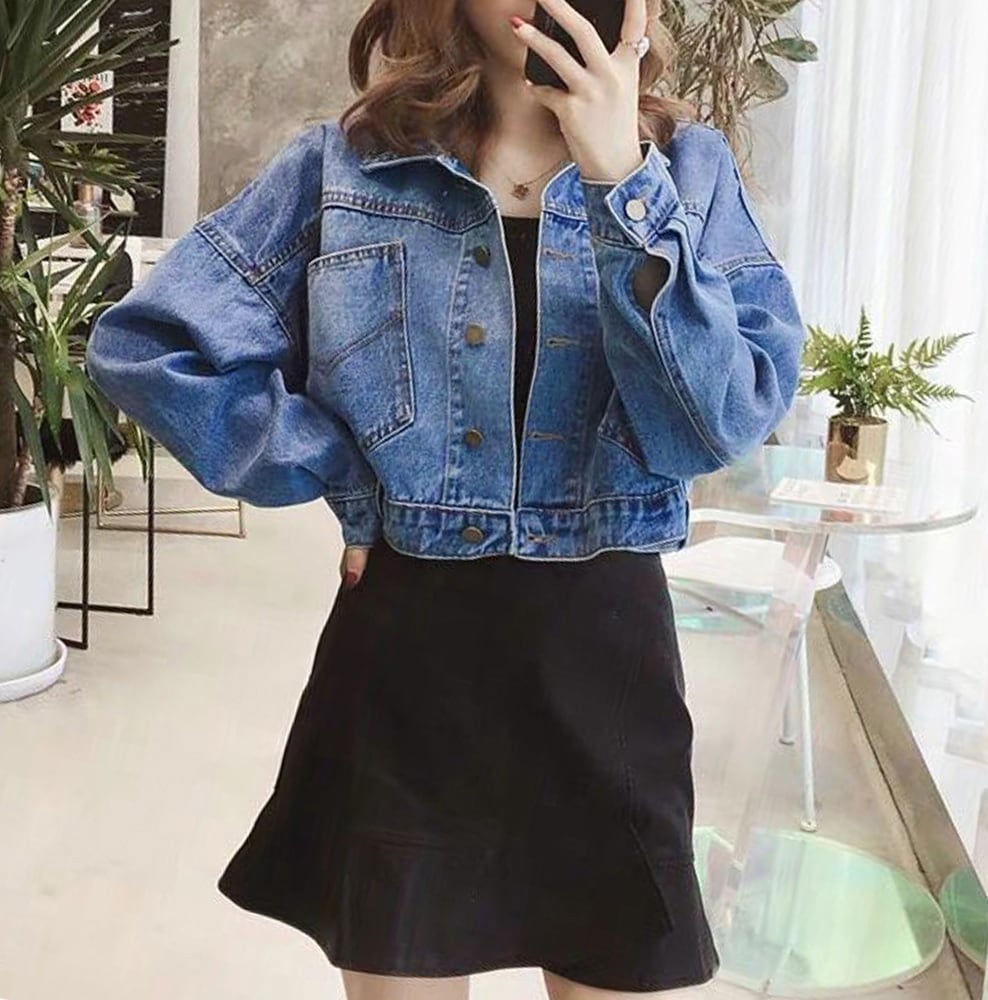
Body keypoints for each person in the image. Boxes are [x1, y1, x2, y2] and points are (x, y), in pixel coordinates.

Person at [85, 0, 808, 997]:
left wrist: (622, 185)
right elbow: (150, 345)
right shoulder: (346, 167)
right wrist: (342, 471)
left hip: (606, 667)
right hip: (406, 672)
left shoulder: (686, 172)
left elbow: (718, 422)